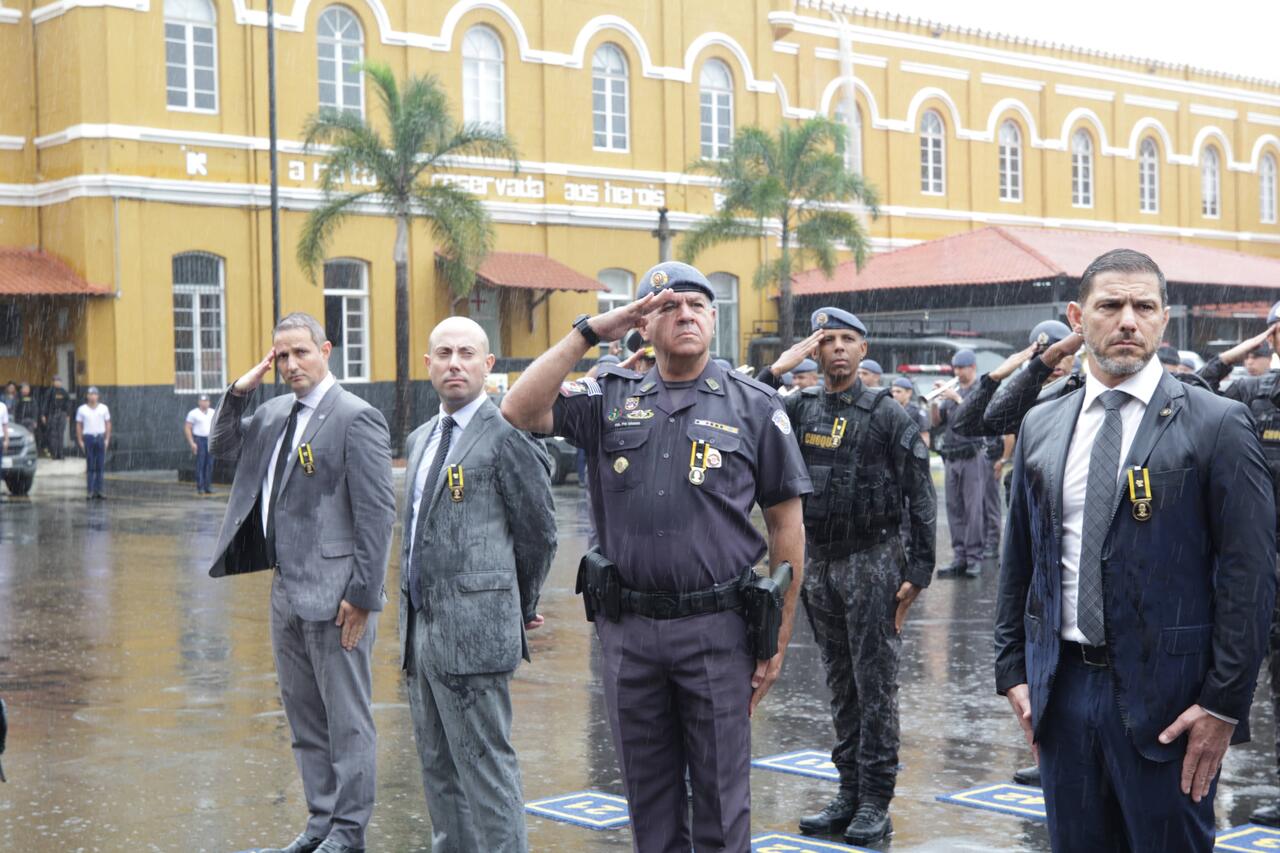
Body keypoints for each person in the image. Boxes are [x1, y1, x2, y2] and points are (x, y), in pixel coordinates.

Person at [501, 260, 810, 853]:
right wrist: (589, 333)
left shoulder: (754, 404)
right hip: (629, 634)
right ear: (642, 322)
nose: (685, 314)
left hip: (717, 631)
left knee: (723, 805)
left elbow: (785, 525)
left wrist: (777, 634)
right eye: (667, 305)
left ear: (714, 319)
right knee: (649, 804)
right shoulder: (608, 395)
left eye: (697, 304)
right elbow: (518, 409)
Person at [995, 249, 1276, 852]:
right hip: (1062, 693)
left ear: (1164, 320)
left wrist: (1223, 705)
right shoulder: (1043, 422)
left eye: (1143, 306)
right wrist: (1012, 670)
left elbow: (1250, 579)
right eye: (1110, 305)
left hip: (1173, 705)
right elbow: (1022, 555)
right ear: (1078, 316)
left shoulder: (1217, 423)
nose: (1128, 320)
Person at [206, 312, 396, 853]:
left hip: (339, 598)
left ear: (326, 349)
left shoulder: (356, 417)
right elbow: (222, 449)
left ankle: (349, 832)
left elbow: (378, 515)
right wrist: (239, 391)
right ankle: (319, 822)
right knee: (304, 718)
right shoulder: (271, 414)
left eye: (300, 353)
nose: (291, 364)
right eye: (281, 356)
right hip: (286, 591)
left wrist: (362, 597)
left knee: (348, 722)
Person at [763, 307, 935, 844]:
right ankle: (848, 791)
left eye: (848, 340)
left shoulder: (886, 414)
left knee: (875, 685)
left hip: (873, 561)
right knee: (841, 684)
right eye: (828, 340)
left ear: (863, 350)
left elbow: (920, 490)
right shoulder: (797, 407)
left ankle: (875, 802)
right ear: (814, 351)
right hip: (821, 562)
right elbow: (745, 410)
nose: (837, 348)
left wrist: (921, 568)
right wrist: (775, 369)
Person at [399, 317, 556, 853]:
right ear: (428, 365)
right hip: (422, 635)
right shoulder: (422, 439)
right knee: (439, 771)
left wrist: (519, 604)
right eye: (443, 353)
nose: (454, 363)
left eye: (467, 353)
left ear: (488, 366)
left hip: (478, 637)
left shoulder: (508, 435)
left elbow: (539, 533)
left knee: (487, 775)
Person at [1193, 309, 1280, 827]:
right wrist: (1234, 353)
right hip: (1255, 568)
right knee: (1236, 682)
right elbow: (1191, 388)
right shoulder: (1251, 394)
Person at [930, 350, 986, 577]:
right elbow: (937, 422)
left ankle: (974, 558)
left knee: (973, 511)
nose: (957, 372)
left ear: (972, 367)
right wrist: (934, 401)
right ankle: (959, 557)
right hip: (951, 457)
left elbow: (979, 415)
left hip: (972, 455)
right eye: (955, 368)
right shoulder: (952, 393)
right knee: (954, 510)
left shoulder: (979, 389)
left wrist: (956, 398)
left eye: (961, 368)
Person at [75, 387, 111, 499]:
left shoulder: (104, 408)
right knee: (90, 466)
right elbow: (79, 425)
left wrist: (107, 439)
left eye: (94, 394)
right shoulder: (82, 409)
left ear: (98, 396)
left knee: (100, 466)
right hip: (88, 438)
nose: (92, 396)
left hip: (100, 437)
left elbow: (108, 423)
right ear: (87, 396)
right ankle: (90, 491)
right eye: (90, 394)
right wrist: (80, 440)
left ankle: (99, 490)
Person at [184, 394, 216, 494]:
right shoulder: (193, 413)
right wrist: (192, 443)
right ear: (199, 402)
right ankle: (200, 487)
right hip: (199, 440)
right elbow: (187, 428)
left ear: (209, 402)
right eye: (202, 401)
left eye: (206, 401)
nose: (204, 403)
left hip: (210, 439)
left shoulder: (213, 412)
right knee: (200, 464)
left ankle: (208, 486)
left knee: (209, 464)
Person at [41, 376, 72, 459]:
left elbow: (68, 404)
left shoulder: (64, 392)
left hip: (62, 414)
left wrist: (68, 414)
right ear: (53, 382)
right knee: (53, 435)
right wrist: (43, 415)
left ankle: (61, 454)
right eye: (56, 381)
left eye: (59, 381)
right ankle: (54, 453)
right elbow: (45, 403)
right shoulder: (49, 392)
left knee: (60, 434)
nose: (58, 383)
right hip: (52, 414)